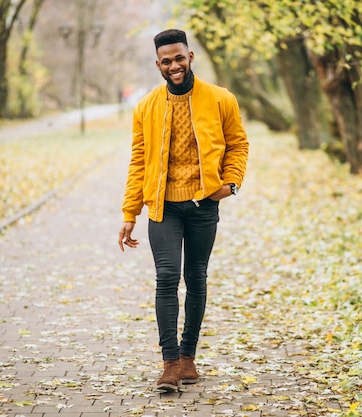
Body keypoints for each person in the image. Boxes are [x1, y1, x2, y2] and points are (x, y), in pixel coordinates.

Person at [118, 29, 249, 393]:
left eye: (179, 58)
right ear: (157, 64)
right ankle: (170, 362)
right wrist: (130, 214)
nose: (173, 65)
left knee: (197, 278)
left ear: (190, 57)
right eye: (166, 61)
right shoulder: (146, 106)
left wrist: (232, 183)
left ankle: (189, 357)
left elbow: (238, 144)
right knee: (166, 278)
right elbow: (139, 161)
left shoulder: (221, 99)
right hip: (163, 207)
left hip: (204, 204)